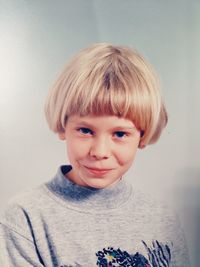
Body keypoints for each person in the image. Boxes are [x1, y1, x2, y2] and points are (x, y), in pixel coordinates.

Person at [0, 43, 190, 267]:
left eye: (119, 134)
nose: (100, 152)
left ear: (142, 135)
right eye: (85, 130)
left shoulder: (163, 219)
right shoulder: (25, 218)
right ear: (63, 128)